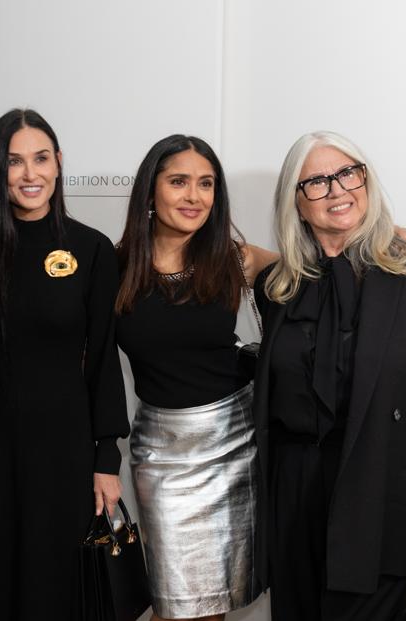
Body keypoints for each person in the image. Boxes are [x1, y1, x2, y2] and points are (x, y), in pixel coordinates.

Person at [252, 130, 406, 620]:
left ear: (366, 181)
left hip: (382, 489)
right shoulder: (278, 288)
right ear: (297, 203)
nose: (337, 190)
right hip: (294, 495)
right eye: (317, 182)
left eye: (348, 173)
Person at [0, 108, 130, 621]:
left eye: (41, 158)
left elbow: (104, 359)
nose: (30, 174)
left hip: (66, 448)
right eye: (15, 162)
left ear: (59, 163)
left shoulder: (91, 249)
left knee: (57, 585)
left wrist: (107, 457)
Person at [116, 134, 277, 621]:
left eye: (206, 184)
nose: (194, 196)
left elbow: (313, 267)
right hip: (162, 455)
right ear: (150, 192)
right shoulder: (115, 266)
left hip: (234, 444)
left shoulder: (233, 258)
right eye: (179, 182)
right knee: (175, 604)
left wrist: (389, 234)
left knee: (214, 606)